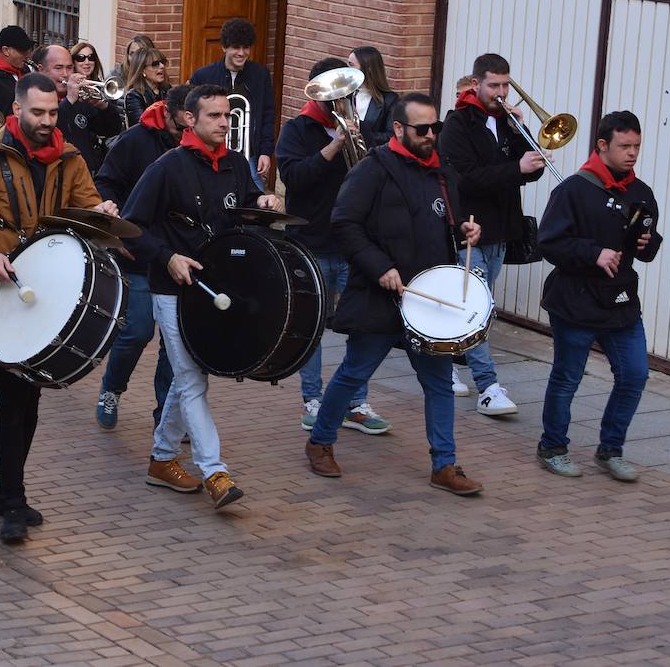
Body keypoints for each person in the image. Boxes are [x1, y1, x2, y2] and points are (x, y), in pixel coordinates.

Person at [0, 73, 118, 544]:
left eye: (53, 113)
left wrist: (104, 214)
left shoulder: (70, 158)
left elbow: (87, 209)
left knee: (31, 398)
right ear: (17, 109)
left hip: (47, 298)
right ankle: (12, 500)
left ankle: (5, 490)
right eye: (37, 113)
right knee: (12, 402)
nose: (45, 121)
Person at [305, 93, 485, 496]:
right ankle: (320, 440)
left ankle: (445, 464)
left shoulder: (442, 173)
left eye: (434, 128)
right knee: (355, 373)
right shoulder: (372, 170)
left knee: (438, 382)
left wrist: (465, 232)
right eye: (422, 129)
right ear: (399, 129)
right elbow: (345, 224)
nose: (430, 136)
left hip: (427, 299)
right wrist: (380, 267)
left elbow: (446, 221)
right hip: (380, 294)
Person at [122, 84, 281, 511]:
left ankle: (160, 458)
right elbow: (130, 227)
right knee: (193, 376)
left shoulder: (235, 164)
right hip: (172, 288)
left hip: (218, 287)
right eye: (214, 116)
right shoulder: (166, 167)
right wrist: (167, 255)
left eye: (227, 117)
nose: (224, 124)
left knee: (186, 374)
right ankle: (215, 471)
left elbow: (244, 209)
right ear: (190, 119)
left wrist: (263, 201)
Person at [535, 111, 662, 482]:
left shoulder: (642, 193)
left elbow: (649, 247)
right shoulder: (573, 189)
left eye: (637, 146)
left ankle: (611, 450)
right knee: (567, 377)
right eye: (625, 146)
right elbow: (549, 242)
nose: (633, 153)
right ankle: (553, 446)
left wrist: (647, 243)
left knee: (635, 375)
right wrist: (594, 253)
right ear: (603, 145)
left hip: (620, 301)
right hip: (575, 299)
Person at [277, 58, 391, 437]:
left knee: (362, 325)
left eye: (348, 94)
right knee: (312, 327)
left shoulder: (366, 131)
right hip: (312, 241)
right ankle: (313, 400)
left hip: (353, 247)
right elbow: (294, 178)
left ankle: (356, 402)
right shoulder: (297, 130)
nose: (343, 102)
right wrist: (332, 148)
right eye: (336, 96)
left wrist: (361, 143)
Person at [438, 53, 543, 415]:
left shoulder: (506, 122)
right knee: (476, 308)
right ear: (476, 84)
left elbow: (530, 172)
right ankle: (488, 387)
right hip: (469, 229)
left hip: (500, 229)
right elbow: (465, 179)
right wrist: (517, 167)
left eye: (505, 86)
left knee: (470, 305)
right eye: (493, 86)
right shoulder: (458, 124)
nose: (500, 93)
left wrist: (523, 140)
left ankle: (446, 365)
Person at [91, 84, 189, 431]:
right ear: (166, 113)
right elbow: (105, 181)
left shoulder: (197, 144)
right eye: (180, 129)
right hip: (138, 252)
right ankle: (112, 388)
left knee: (175, 345)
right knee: (137, 331)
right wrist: (113, 217)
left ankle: (165, 413)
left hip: (181, 257)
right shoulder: (134, 140)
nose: (184, 136)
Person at [189, 18, 276, 185]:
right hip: (211, 157)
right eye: (236, 47)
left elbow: (267, 115)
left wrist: (265, 152)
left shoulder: (260, 75)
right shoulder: (203, 76)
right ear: (224, 47)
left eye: (246, 48)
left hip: (249, 159)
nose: (241, 53)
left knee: (252, 206)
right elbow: (192, 118)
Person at [36, 44, 122, 173]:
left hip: (84, 176)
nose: (65, 74)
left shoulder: (81, 100)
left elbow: (112, 130)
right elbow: (47, 130)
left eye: (69, 68)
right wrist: (69, 99)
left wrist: (102, 105)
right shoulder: (33, 99)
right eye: (58, 68)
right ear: (41, 69)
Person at [346, 46, 400, 148]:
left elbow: (391, 136)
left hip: (373, 157)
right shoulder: (346, 95)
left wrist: (362, 133)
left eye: (351, 65)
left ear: (368, 69)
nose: (347, 70)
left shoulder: (390, 100)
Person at [120, 47, 169, 127]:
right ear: (142, 70)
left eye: (162, 62)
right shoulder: (134, 96)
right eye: (155, 64)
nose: (162, 66)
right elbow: (143, 125)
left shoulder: (167, 89)